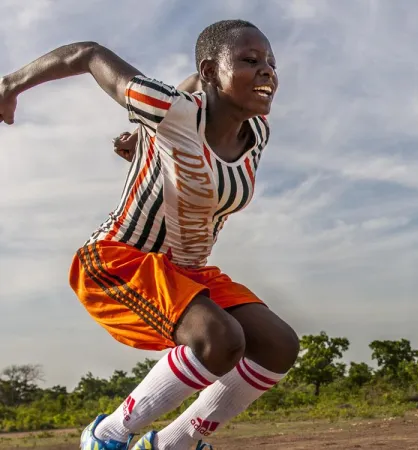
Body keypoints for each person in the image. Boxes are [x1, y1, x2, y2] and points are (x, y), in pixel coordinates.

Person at [0, 19, 299, 450]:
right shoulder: (169, 108)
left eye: (271, 62)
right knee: (220, 339)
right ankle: (107, 436)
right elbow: (87, 53)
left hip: (187, 271)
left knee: (278, 345)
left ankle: (171, 444)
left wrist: (143, 140)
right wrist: (10, 84)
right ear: (212, 72)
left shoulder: (257, 135)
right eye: (250, 61)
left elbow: (185, 158)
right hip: (119, 259)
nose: (268, 70)